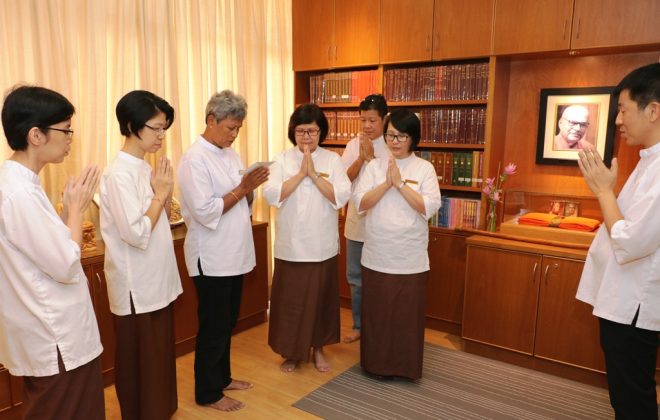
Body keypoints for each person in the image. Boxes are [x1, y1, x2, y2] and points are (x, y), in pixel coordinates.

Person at [0, 86, 104, 418]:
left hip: (47, 329)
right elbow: (65, 263)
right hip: (55, 334)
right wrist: (75, 210)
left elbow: (46, 247)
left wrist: (68, 214)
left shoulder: (20, 183)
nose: (71, 137)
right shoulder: (19, 193)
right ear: (36, 135)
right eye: (65, 129)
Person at [575, 62, 660, 420]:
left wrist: (604, 191)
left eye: (623, 109)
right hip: (624, 301)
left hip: (634, 307)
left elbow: (630, 242)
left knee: (632, 399)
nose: (618, 120)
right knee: (625, 395)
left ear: (653, 110)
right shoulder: (647, 161)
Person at [177, 90, 268, 412]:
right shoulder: (193, 159)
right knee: (213, 326)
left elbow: (239, 198)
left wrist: (250, 188)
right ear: (211, 120)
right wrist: (243, 188)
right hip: (211, 257)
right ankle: (208, 393)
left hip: (233, 253)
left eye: (238, 129)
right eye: (230, 128)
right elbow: (205, 211)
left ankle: (223, 377)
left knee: (227, 321)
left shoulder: (229, 153)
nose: (234, 135)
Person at [99, 90, 182, 420]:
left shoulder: (145, 168)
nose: (162, 136)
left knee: (159, 357)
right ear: (132, 125)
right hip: (136, 286)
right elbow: (135, 233)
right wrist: (161, 195)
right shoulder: (118, 174)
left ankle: (160, 411)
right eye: (156, 128)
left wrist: (163, 194)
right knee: (140, 361)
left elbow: (160, 219)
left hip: (156, 278)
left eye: (165, 128)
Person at [354, 108, 441, 380]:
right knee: (378, 314)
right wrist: (387, 184)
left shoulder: (424, 168)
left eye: (401, 136)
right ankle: (376, 366)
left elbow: (427, 208)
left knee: (405, 316)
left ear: (413, 139)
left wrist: (401, 184)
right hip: (378, 253)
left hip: (409, 257)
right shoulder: (373, 166)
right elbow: (360, 203)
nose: (395, 141)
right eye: (391, 135)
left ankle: (405, 368)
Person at [264, 104, 351, 374]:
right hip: (291, 245)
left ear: (321, 132)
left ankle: (319, 348)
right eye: (301, 131)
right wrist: (300, 173)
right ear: (293, 132)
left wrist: (313, 174)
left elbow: (340, 196)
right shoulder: (281, 160)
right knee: (290, 302)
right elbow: (272, 195)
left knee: (321, 301)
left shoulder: (333, 160)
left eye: (312, 131)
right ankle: (291, 352)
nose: (307, 137)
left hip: (321, 245)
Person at [340, 94, 390, 344]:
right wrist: (361, 157)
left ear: (384, 119)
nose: (367, 126)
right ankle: (359, 325)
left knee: (381, 278)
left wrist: (372, 158)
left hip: (383, 222)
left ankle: (379, 326)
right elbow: (343, 180)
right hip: (357, 220)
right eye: (363, 120)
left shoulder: (394, 145)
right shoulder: (352, 145)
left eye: (372, 120)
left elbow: (388, 184)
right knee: (356, 278)